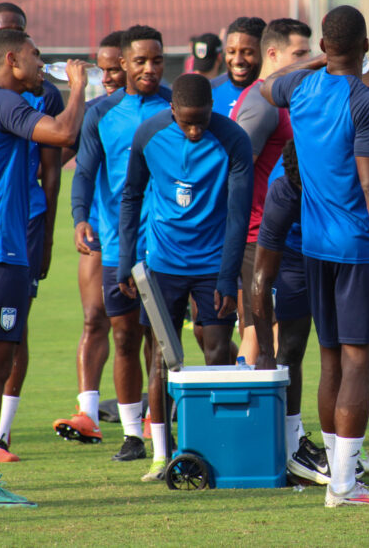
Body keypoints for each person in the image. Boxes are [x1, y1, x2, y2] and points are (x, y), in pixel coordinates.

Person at [262, 5, 369, 507]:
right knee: (358, 362)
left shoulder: (300, 88)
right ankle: (345, 485)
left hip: (316, 247)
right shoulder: (367, 102)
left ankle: (336, 475)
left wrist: (314, 63)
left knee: (330, 360)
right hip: (357, 249)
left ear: (325, 47)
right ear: (366, 45)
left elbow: (268, 84)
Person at [0, 28, 86, 509]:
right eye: (35, 54)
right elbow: (64, 134)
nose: (42, 62)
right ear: (11, 59)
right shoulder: (2, 101)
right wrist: (79, 86)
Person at [118, 73, 253, 481]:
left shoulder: (233, 139)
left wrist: (228, 277)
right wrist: (127, 259)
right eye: (187, 122)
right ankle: (162, 454)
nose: (195, 131)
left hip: (213, 264)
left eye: (203, 121)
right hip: (163, 265)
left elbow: (238, 215)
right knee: (162, 359)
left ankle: (213, 447)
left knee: (216, 354)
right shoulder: (149, 134)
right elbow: (131, 195)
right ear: (172, 110)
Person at [71, 25, 172, 463]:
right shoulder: (102, 113)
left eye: (157, 60)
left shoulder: (174, 106)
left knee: (163, 343)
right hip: (118, 247)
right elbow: (85, 172)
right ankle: (132, 433)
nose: (149, 68)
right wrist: (79, 218)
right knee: (125, 337)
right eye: (141, 61)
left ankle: (161, 428)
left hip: (168, 246)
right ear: (124, 65)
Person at [0, 2, 66, 463]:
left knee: (17, 326)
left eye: (20, 32)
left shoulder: (44, 94)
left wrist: (48, 233)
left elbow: (51, 171)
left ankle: (1, 435)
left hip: (26, 218)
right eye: (3, 32)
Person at [53, 30, 127, 444]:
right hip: (102, 230)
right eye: (104, 68)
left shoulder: (162, 105)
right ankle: (87, 412)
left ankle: (154, 414)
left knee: (147, 328)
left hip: (154, 234)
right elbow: (67, 163)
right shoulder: (94, 113)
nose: (110, 75)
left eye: (116, 67)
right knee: (94, 318)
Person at [250, 140, 331, 483]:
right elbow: (261, 274)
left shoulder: (337, 171)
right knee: (290, 350)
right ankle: (291, 443)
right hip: (296, 260)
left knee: (343, 351)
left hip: (335, 254)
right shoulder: (283, 190)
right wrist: (265, 351)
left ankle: (342, 444)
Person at [231, 18, 310, 364]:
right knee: (264, 333)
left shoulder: (282, 98)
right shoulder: (262, 103)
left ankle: (275, 418)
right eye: (301, 53)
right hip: (258, 235)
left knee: (266, 332)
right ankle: (254, 416)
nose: (310, 60)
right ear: (274, 53)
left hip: (279, 232)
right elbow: (234, 168)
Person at [211, 17, 265, 117]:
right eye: (231, 52)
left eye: (247, 52)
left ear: (264, 53)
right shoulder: (209, 91)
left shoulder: (277, 94)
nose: (237, 61)